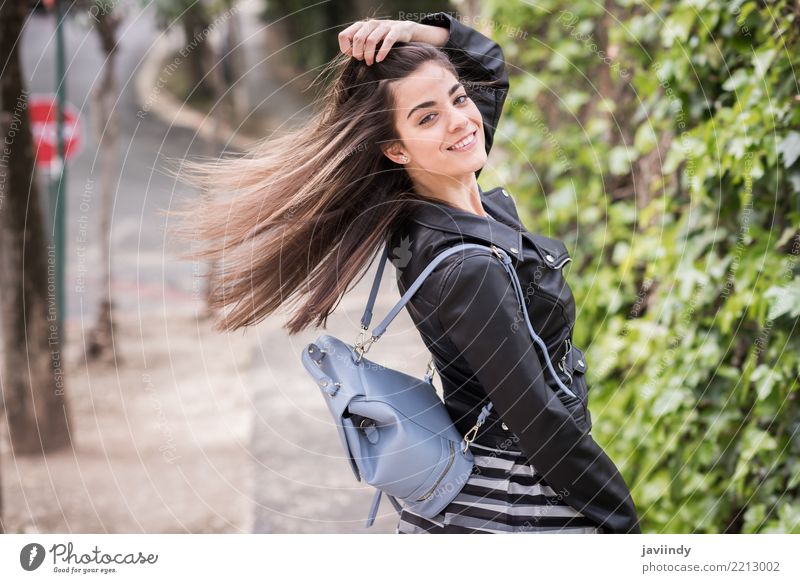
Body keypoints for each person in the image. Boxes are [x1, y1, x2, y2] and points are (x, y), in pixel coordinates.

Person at [171, 11, 641, 534]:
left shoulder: (445, 200)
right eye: (426, 118)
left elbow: (485, 61)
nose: (461, 121)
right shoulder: (467, 266)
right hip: (522, 500)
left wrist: (407, 32)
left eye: (458, 100)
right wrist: (621, 518)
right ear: (396, 150)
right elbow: (539, 421)